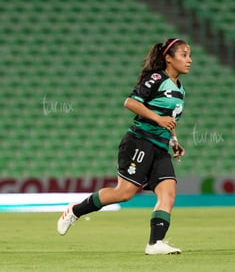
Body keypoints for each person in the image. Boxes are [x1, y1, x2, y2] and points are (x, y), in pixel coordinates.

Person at [57, 38, 192, 255]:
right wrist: (158, 120)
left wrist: (174, 140)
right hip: (139, 141)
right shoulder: (156, 78)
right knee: (124, 193)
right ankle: (75, 211)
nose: (189, 60)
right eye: (184, 55)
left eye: (189, 55)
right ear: (168, 58)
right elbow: (131, 102)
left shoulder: (180, 89)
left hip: (159, 146)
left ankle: (155, 244)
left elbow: (169, 119)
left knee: (168, 193)